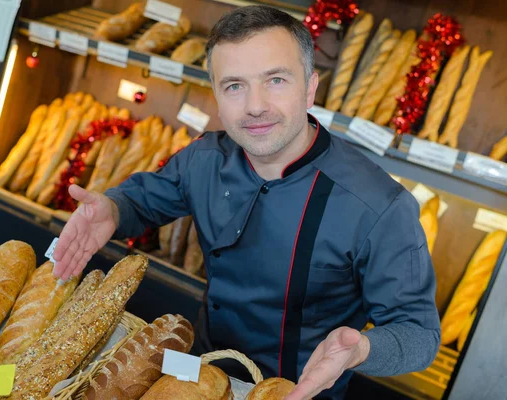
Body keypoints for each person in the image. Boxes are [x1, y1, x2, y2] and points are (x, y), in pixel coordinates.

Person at [52, 5, 440, 399]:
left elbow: (420, 334)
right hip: (199, 373)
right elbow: (145, 198)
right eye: (234, 85)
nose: (255, 105)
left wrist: (362, 349)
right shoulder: (205, 158)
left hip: (296, 393)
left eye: (275, 80)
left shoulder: (379, 205)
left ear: (309, 88)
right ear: (217, 96)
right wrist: (115, 208)